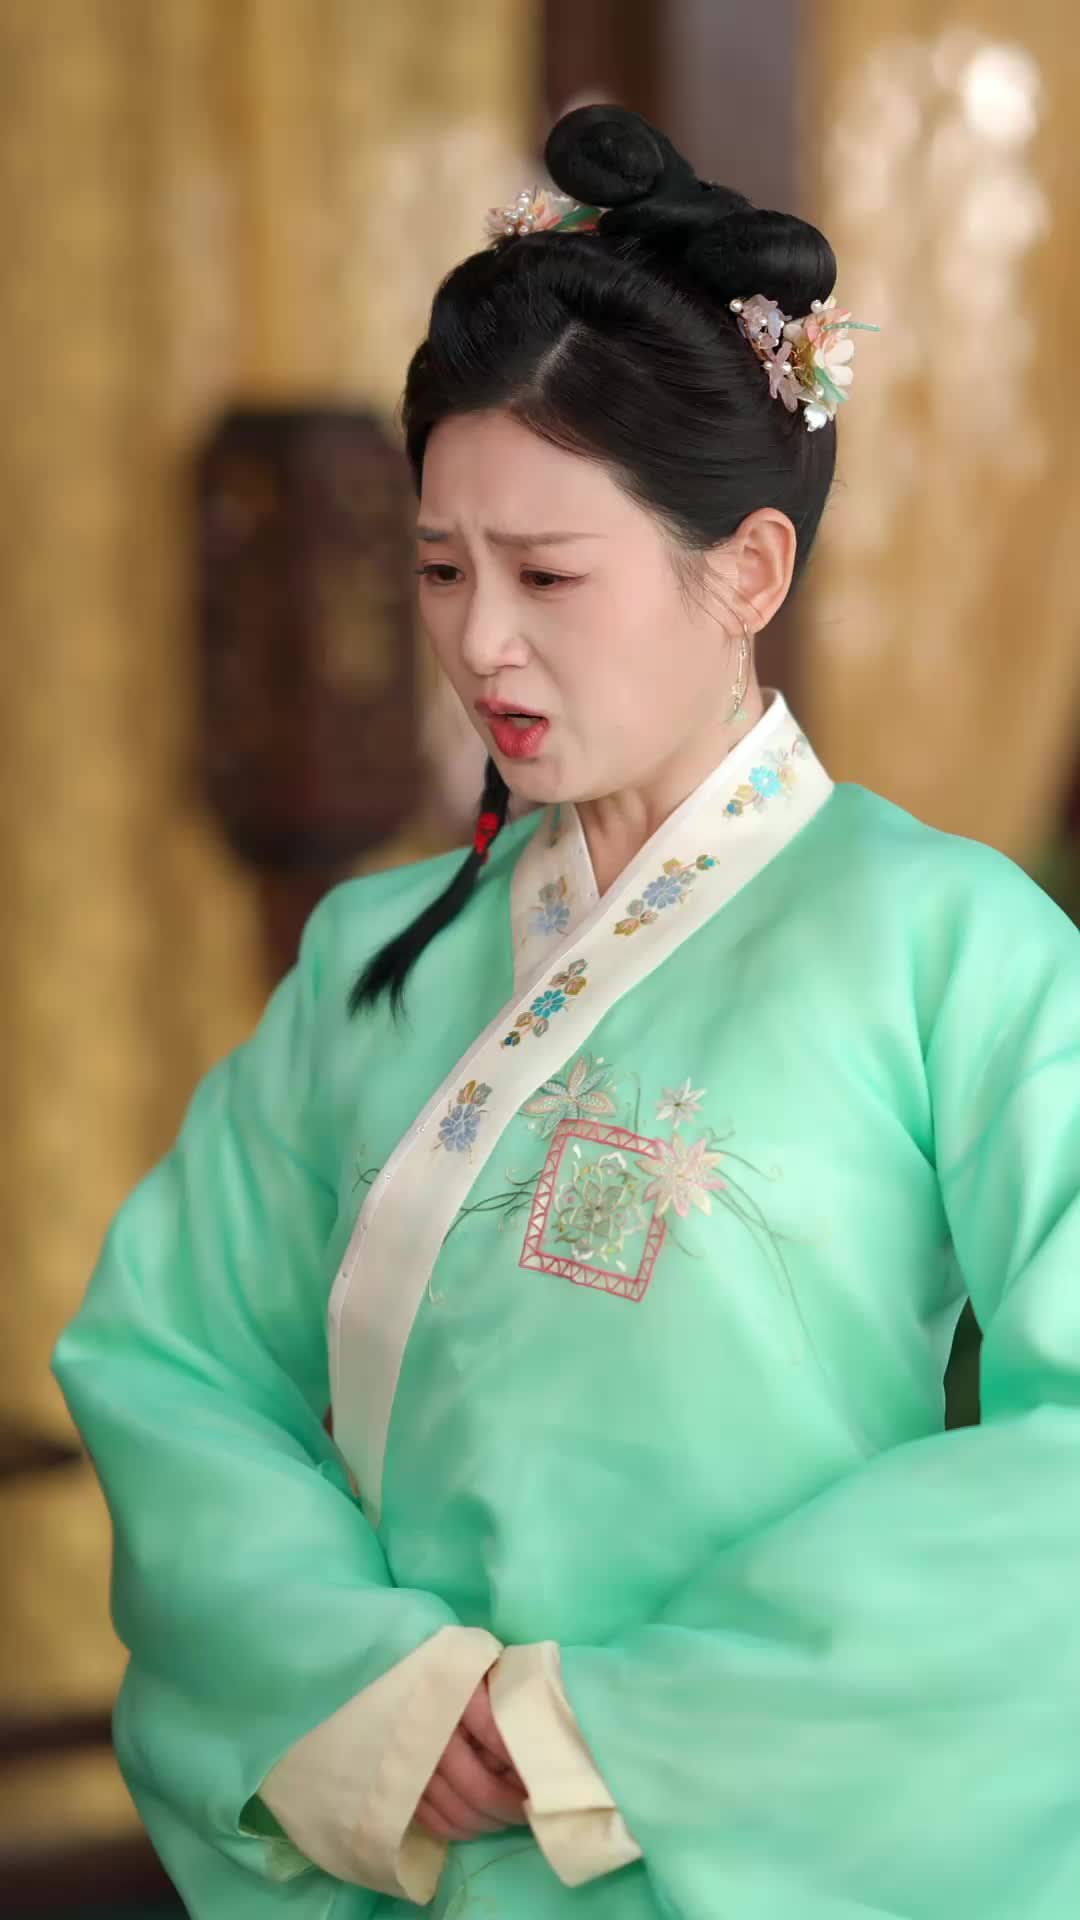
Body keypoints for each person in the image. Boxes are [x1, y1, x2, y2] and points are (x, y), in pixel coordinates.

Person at [52, 105, 1080, 1920]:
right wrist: (371, 1697)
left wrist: (616, 1734)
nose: (479, 645)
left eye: (547, 574)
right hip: (419, 1844)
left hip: (735, 1840)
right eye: (442, 568)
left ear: (746, 571)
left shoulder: (952, 945)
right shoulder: (377, 956)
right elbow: (174, 1362)